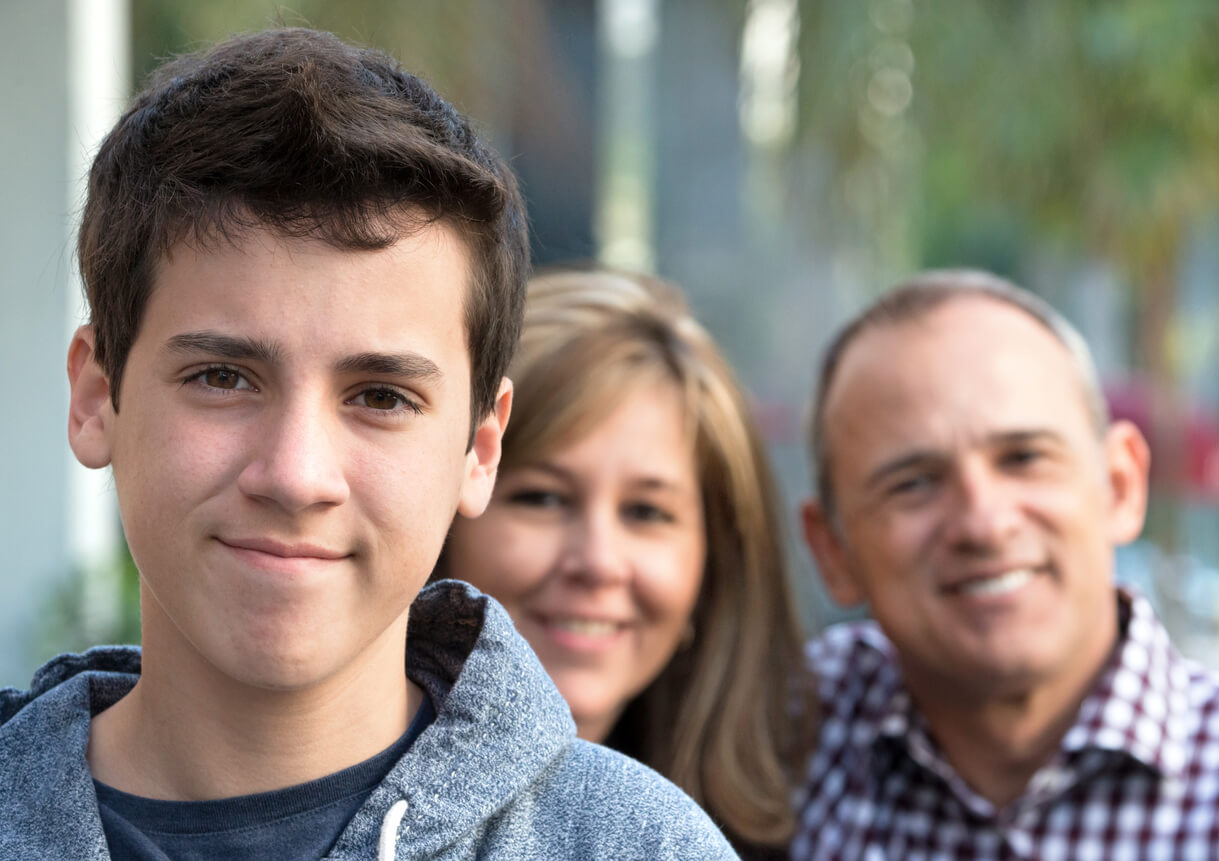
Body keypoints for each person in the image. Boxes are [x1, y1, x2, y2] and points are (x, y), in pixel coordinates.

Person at [0, 29, 738, 860]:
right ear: (98, 396)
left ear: (480, 448)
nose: (295, 474)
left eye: (381, 396)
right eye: (222, 377)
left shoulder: (638, 845)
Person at [792, 268, 1219, 859]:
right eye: (913, 484)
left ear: (1121, 485)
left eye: (1024, 458)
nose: (985, 524)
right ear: (832, 550)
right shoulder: (774, 749)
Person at [442, 268, 816, 859]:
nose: (597, 562)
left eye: (646, 512)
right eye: (541, 497)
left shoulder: (810, 818)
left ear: (712, 567)